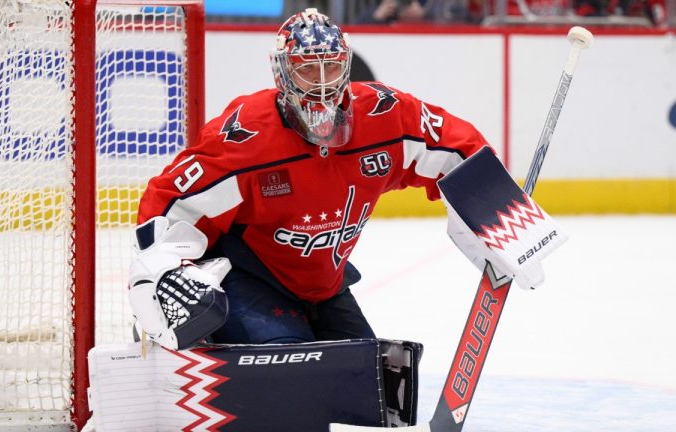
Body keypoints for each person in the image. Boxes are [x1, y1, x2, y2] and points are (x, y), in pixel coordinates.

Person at [127, 8, 492, 349]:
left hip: (325, 285)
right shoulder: (246, 137)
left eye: (331, 67)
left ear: (346, 65)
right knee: (290, 369)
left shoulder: (386, 115)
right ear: (282, 73)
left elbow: (457, 148)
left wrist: (499, 213)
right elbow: (172, 201)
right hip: (249, 276)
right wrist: (161, 278)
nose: (321, 83)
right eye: (307, 69)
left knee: (367, 376)